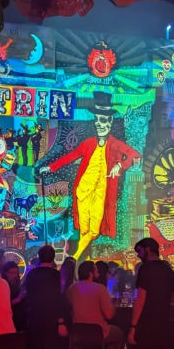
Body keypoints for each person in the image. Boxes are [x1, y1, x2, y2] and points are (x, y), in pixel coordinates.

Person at [40, 92, 141, 260]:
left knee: (94, 230)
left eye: (102, 120)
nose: (99, 124)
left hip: (100, 194)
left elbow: (136, 156)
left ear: (109, 122)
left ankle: (76, 257)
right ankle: (81, 259)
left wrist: (120, 166)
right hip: (83, 191)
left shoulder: (115, 144)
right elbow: (69, 157)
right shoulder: (89, 143)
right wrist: (50, 168)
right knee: (85, 230)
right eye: (96, 120)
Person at [23, 245, 68, 349]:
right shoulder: (56, 276)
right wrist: (61, 321)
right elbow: (58, 300)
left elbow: (28, 296)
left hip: (34, 319)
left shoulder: (32, 275)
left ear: (39, 257)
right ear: (53, 258)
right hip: (50, 321)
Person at [67, 260, 124, 349]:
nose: (97, 272)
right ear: (90, 273)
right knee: (118, 334)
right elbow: (109, 315)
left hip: (78, 333)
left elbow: (70, 307)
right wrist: (113, 306)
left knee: (76, 339)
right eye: (95, 270)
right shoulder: (100, 289)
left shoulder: (72, 288)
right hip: (98, 333)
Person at [2, 261, 27, 332]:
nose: (14, 275)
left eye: (16, 273)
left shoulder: (17, 282)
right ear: (5, 273)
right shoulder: (3, 285)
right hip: (9, 318)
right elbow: (4, 305)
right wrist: (18, 299)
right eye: (12, 273)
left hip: (18, 317)